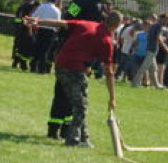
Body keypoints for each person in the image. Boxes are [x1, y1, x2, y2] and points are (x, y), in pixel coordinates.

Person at [27, 10, 122, 147]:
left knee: (81, 101)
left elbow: (62, 23)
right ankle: (73, 140)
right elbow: (109, 72)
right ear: (117, 25)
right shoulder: (107, 41)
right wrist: (112, 97)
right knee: (80, 106)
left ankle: (84, 138)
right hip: (75, 69)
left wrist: (38, 21)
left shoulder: (86, 24)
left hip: (61, 65)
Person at [30, 0, 60, 74]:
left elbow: (34, 16)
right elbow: (58, 23)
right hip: (50, 32)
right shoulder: (57, 10)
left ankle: (33, 67)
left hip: (41, 29)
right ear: (56, 1)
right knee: (45, 51)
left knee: (37, 49)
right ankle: (42, 69)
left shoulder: (42, 6)